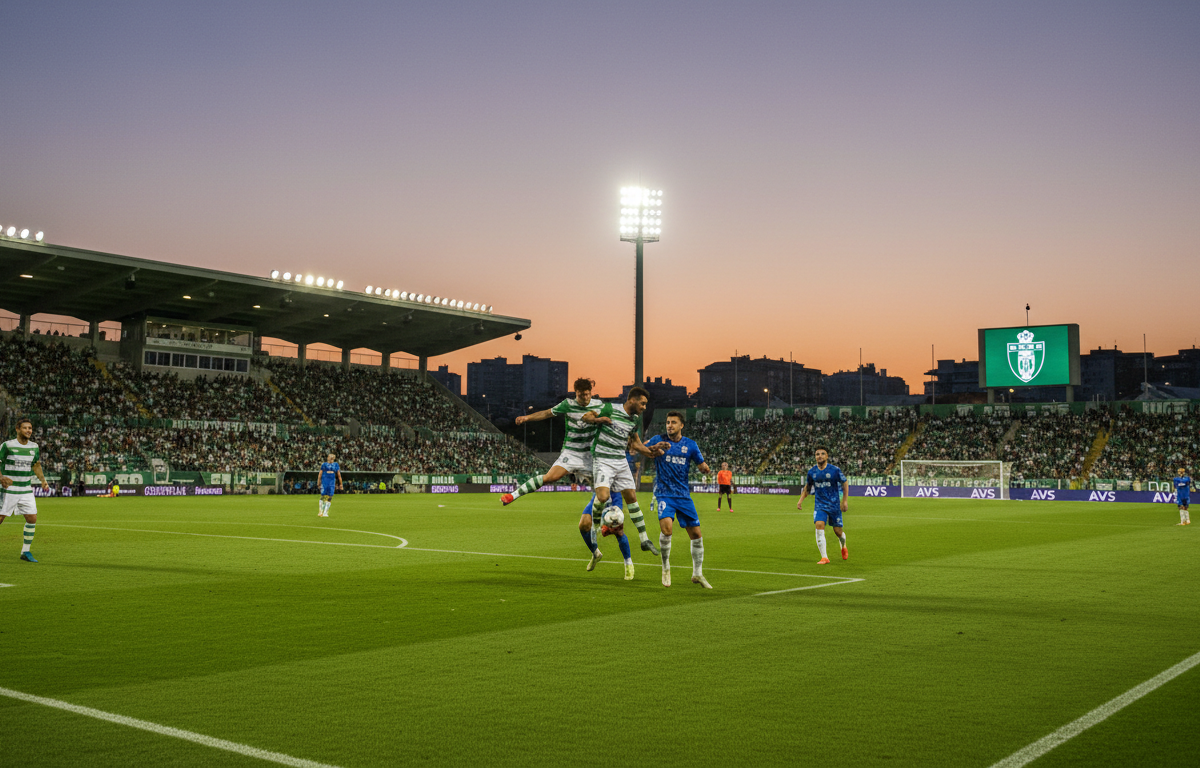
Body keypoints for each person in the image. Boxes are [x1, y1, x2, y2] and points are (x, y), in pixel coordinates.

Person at [582, 387, 666, 575]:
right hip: (603, 458)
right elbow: (586, 417)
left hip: (620, 459)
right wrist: (597, 419)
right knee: (602, 496)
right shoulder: (610, 409)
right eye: (643, 403)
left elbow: (635, 444)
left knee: (631, 496)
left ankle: (644, 539)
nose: (644, 407)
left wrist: (653, 451)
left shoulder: (634, 420)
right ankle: (595, 528)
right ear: (633, 400)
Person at [502, 378, 603, 506]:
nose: (584, 398)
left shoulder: (599, 405)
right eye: (580, 395)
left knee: (603, 492)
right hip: (571, 453)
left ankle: (603, 521)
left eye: (587, 394)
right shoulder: (568, 404)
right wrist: (527, 417)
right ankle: (512, 495)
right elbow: (546, 413)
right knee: (551, 477)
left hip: (591, 454)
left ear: (590, 392)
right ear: (576, 393)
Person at [645, 411, 713, 588]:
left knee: (696, 535)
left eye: (673, 422)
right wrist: (652, 449)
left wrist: (705, 469)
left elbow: (701, 464)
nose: (669, 425)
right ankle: (665, 567)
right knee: (667, 530)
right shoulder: (657, 440)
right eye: (667, 422)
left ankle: (697, 574)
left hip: (683, 495)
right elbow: (640, 448)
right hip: (664, 493)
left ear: (681, 425)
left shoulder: (690, 445)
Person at [0, 418, 51, 562]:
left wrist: (43, 480)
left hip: (25, 489)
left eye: (30, 428)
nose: (28, 430)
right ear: (17, 429)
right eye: (25, 428)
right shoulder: (7, 445)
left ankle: (25, 552)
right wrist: (1, 478)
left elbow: (36, 464)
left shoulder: (34, 447)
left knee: (32, 518)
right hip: (8, 489)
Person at [795, 447, 848, 564]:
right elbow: (807, 488)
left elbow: (845, 482)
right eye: (817, 454)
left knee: (838, 532)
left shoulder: (834, 470)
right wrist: (800, 500)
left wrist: (844, 501)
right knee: (819, 525)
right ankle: (824, 557)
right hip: (820, 505)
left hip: (834, 506)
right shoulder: (812, 472)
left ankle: (843, 545)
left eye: (822, 454)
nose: (820, 456)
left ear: (827, 456)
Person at [579, 491, 634, 578]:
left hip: (614, 498)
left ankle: (628, 564)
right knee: (583, 525)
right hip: (598, 497)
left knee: (618, 532)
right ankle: (595, 553)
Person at [318, 453, 342, 517]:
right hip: (324, 483)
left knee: (330, 497)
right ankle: (320, 511)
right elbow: (320, 474)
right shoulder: (324, 464)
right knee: (323, 496)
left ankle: (325, 512)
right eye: (330, 457)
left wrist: (341, 484)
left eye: (332, 457)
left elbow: (339, 475)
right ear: (328, 457)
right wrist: (318, 482)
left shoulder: (336, 465)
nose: (331, 458)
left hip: (331, 483)